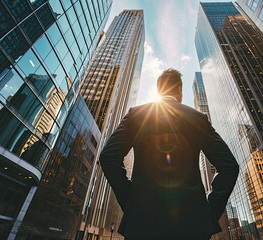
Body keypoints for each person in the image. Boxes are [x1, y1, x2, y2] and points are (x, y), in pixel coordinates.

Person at [100, 68, 239, 240]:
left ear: (159, 90)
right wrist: (208, 212)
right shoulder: (197, 118)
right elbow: (229, 167)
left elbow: (108, 157)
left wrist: (131, 203)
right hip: (192, 226)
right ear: (179, 90)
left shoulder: (136, 115)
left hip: (142, 225)